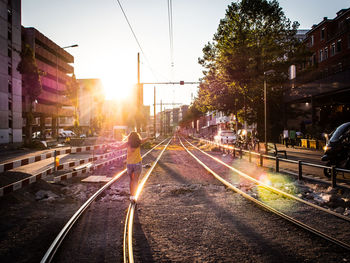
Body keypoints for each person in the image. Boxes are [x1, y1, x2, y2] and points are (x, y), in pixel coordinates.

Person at [121, 131, 149, 204]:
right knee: (135, 181)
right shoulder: (139, 142)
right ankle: (134, 196)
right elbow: (147, 138)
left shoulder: (127, 144)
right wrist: (148, 132)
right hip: (137, 164)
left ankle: (131, 196)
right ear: (137, 137)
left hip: (129, 164)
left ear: (129, 137)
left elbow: (118, 147)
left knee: (131, 180)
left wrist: (109, 147)